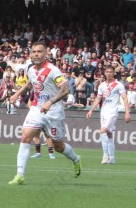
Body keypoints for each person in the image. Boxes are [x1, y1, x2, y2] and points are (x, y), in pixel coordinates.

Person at [8, 42, 82, 185]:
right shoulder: (30, 69)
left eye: (39, 51)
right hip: (37, 109)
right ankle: (20, 175)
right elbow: (30, 84)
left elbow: (65, 90)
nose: (36, 54)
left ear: (46, 54)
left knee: (58, 146)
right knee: (25, 137)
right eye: (34, 52)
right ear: (30, 54)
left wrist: (50, 102)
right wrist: (17, 94)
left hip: (53, 111)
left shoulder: (53, 71)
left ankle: (76, 159)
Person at [86, 65, 131, 164]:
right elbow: (98, 99)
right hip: (103, 112)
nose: (109, 74)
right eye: (107, 72)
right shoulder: (102, 85)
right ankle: (112, 157)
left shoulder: (118, 85)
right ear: (105, 73)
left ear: (114, 73)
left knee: (102, 131)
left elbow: (125, 98)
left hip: (112, 112)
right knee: (109, 134)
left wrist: (127, 112)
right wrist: (91, 110)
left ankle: (105, 155)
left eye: (111, 72)